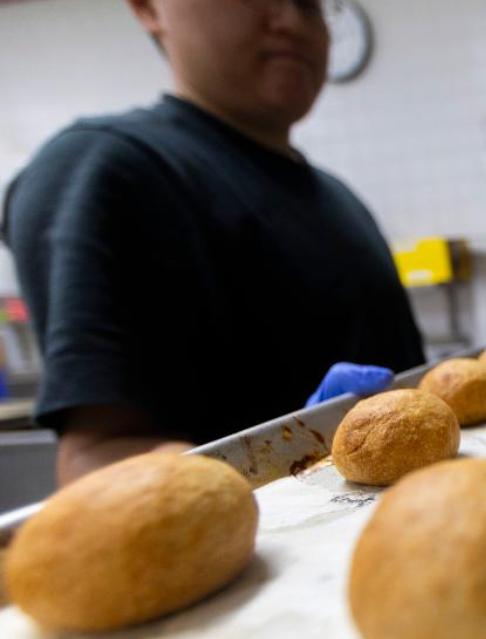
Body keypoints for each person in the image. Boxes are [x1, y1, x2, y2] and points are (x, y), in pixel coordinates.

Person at [1, 0, 425, 485]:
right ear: (148, 8)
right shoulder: (112, 169)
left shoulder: (336, 195)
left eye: (310, 4)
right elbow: (98, 462)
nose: (289, 20)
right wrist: (279, 474)